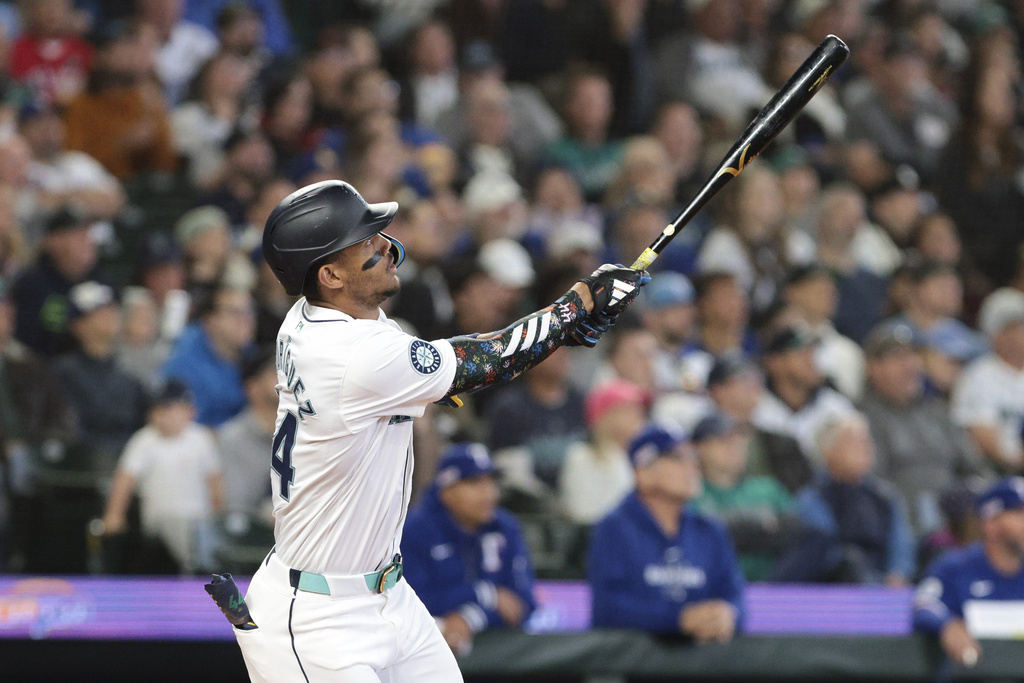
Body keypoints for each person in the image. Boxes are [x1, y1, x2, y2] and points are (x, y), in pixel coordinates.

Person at [230, 180, 648, 681]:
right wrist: (577, 305)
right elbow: (483, 361)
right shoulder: (352, 355)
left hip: (387, 593)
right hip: (317, 616)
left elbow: (447, 372)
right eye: (365, 240)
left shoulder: (319, 317)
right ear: (330, 275)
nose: (385, 245)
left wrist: (554, 335)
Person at [588, 422, 744, 640]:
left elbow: (735, 596)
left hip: (704, 664)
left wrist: (727, 614)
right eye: (678, 458)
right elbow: (609, 609)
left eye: (693, 457)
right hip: (633, 666)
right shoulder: (614, 529)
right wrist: (678, 619)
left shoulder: (709, 530)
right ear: (643, 472)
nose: (691, 467)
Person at [402, 443, 536, 657]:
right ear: (447, 489)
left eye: (491, 482)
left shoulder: (505, 527)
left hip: (499, 658)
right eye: (474, 483)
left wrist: (471, 618)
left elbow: (522, 604)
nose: (489, 493)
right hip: (425, 653)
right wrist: (486, 594)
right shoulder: (414, 530)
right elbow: (410, 606)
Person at [859, 320, 988, 536]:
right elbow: (873, 485)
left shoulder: (937, 410)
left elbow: (975, 468)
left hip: (956, 517)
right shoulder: (863, 417)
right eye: (897, 357)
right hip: (904, 524)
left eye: (914, 356)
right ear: (873, 367)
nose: (910, 366)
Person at [102, 379, 224, 574]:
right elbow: (124, 479)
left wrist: (219, 514)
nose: (160, 416)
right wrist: (114, 514)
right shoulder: (144, 440)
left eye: (168, 408)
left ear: (189, 410)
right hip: (159, 522)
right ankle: (196, 567)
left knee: (205, 533)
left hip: (199, 519)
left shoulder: (201, 438)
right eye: (155, 410)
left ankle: (203, 567)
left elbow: (215, 481)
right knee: (180, 530)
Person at [914, 477, 1024, 667]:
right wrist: (947, 625)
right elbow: (924, 605)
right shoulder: (954, 567)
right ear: (991, 522)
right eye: (1019, 513)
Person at [795, 413, 916, 585]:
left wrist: (898, 573)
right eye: (853, 441)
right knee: (850, 560)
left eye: (866, 441)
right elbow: (823, 550)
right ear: (828, 451)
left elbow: (901, 544)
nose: (865, 447)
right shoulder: (813, 498)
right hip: (838, 585)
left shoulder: (885, 496)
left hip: (884, 580)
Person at [691, 412, 799, 582]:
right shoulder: (689, 494)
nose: (735, 446)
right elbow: (697, 538)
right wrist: (763, 527)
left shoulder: (768, 488)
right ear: (698, 448)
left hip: (776, 582)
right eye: (723, 440)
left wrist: (734, 531)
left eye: (740, 439)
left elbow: (795, 531)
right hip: (713, 582)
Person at [951, 288, 1024, 473]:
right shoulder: (979, 376)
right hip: (993, 471)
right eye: (1017, 328)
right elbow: (986, 442)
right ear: (998, 335)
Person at [162, 284, 255, 428]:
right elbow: (187, 429)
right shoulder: (184, 365)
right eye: (235, 312)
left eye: (249, 311)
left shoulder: (253, 354)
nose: (245, 320)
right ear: (210, 321)